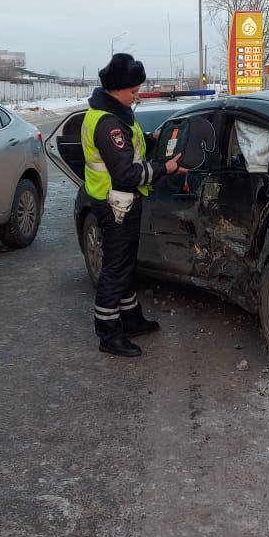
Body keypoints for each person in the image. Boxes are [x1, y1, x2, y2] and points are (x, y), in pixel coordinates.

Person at [83, 53, 186, 357]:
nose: (137, 95)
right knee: (115, 268)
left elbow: (134, 145)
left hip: (122, 203)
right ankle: (108, 332)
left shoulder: (117, 112)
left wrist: (154, 139)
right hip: (114, 203)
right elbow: (126, 172)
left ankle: (130, 318)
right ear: (116, 88)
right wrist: (164, 169)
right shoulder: (106, 123)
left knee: (125, 264)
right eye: (133, 91)